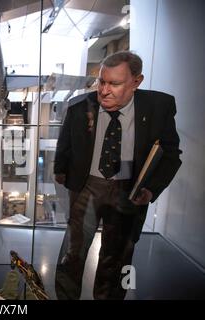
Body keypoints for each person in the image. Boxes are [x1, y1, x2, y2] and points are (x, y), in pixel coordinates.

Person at [53, 51, 182, 300]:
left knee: (120, 257)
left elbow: (171, 154)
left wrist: (151, 189)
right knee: (72, 253)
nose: (104, 90)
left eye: (114, 83)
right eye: (102, 81)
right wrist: (61, 171)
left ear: (136, 82)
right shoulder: (79, 107)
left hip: (128, 189)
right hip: (87, 187)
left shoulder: (159, 107)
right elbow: (64, 144)